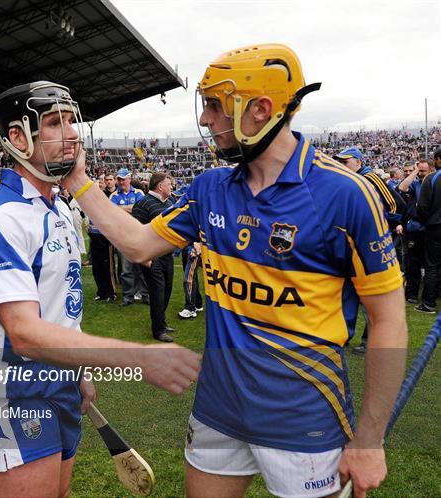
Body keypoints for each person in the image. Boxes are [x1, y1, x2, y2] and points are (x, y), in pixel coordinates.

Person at [68, 44, 408, 498]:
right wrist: (76, 181)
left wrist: (369, 441)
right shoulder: (210, 187)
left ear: (261, 109)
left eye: (215, 105)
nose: (206, 120)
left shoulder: (345, 194)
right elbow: (137, 245)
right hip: (217, 411)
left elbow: (388, 321)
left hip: (304, 417)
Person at [0, 81, 200, 498]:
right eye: (55, 123)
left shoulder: (58, 205)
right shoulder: (1, 215)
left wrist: (81, 371)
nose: (71, 132)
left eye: (71, 120)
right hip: (21, 383)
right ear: (17, 138)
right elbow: (23, 331)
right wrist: (135, 357)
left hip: (64, 376)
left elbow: (65, 305)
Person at [333, 147, 405, 354]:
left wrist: (379, 227)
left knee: (371, 293)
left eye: (345, 162)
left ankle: (371, 340)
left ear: (358, 161)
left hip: (369, 245)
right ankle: (345, 337)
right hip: (352, 244)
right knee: (348, 290)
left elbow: (395, 205)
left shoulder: (370, 177)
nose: (341, 165)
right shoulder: (348, 179)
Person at [132, 173, 175, 342]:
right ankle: (158, 330)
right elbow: (136, 232)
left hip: (168, 255)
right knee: (157, 292)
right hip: (152, 256)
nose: (171, 186)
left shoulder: (170, 203)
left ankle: (161, 322)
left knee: (167, 289)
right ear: (160, 187)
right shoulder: (143, 204)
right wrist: (144, 257)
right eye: (169, 184)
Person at [109, 168, 148, 306]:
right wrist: (129, 208)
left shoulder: (139, 192)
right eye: (118, 179)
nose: (120, 181)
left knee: (142, 267)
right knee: (126, 270)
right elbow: (111, 213)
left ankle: (145, 294)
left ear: (129, 179)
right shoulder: (113, 195)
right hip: (122, 237)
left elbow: (140, 210)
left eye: (123, 179)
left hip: (138, 235)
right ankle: (128, 297)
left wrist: (121, 209)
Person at [397, 159, 433, 304]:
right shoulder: (416, 183)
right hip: (415, 227)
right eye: (420, 171)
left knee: (431, 264)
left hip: (430, 227)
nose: (421, 174)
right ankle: (411, 294)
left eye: (423, 171)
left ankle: (430, 294)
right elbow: (402, 187)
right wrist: (415, 171)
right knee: (413, 263)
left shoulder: (434, 183)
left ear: (430, 170)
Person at [415, 148, 441, 312]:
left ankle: (429, 303)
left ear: (438, 159)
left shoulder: (432, 178)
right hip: (434, 225)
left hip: (435, 227)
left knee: (432, 265)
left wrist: (427, 222)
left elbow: (422, 207)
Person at [178, 242, 203, 319]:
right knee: (192, 276)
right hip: (186, 246)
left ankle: (190, 308)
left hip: (195, 248)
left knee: (189, 277)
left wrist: (196, 243)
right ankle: (197, 303)